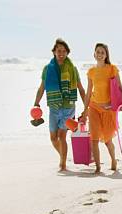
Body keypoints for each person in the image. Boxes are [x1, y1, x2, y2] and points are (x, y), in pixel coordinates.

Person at [34, 38, 86, 171]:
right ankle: (63, 156)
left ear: (67, 52)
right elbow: (42, 88)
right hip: (54, 107)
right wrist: (36, 103)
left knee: (62, 136)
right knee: (53, 138)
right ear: (54, 52)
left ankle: (62, 164)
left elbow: (80, 88)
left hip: (68, 107)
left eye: (63, 51)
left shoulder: (72, 69)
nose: (61, 53)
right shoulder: (47, 69)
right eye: (58, 50)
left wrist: (87, 107)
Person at [80, 43, 122, 174]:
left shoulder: (112, 69)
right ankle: (97, 167)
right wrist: (84, 110)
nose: (100, 54)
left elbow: (120, 88)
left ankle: (113, 159)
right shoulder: (91, 72)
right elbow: (88, 92)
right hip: (94, 107)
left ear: (106, 55)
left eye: (103, 52)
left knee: (108, 141)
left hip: (108, 109)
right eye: (98, 52)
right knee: (94, 139)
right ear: (94, 54)